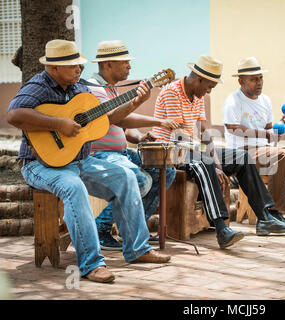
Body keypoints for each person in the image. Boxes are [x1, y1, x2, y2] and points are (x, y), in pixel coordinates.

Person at [6, 39, 170, 284]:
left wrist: (135, 102)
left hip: (78, 161)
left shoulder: (78, 89)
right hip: (39, 164)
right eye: (73, 66)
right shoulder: (38, 86)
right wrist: (58, 123)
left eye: (79, 65)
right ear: (53, 68)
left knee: (125, 177)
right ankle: (92, 264)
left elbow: (110, 117)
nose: (79, 70)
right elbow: (14, 115)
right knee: (73, 188)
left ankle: (138, 249)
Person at [151, 55, 285, 249]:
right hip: (170, 151)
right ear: (198, 79)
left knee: (242, 158)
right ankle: (221, 228)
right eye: (209, 86)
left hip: (192, 150)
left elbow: (204, 134)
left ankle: (265, 217)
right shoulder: (172, 92)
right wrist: (212, 162)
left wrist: (219, 165)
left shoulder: (197, 96)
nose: (209, 91)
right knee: (204, 164)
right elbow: (180, 137)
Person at [86, 40, 180, 250]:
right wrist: (157, 120)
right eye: (125, 62)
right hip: (100, 155)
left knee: (165, 170)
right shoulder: (94, 89)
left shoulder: (110, 89)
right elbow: (114, 118)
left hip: (119, 152)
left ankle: (133, 230)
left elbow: (124, 125)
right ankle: (101, 229)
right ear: (108, 64)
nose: (130, 66)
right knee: (140, 180)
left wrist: (139, 138)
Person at [223, 57, 285, 228]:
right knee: (281, 156)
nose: (259, 82)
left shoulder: (265, 101)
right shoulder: (233, 101)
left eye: (261, 78)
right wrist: (265, 134)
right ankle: (273, 212)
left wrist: (281, 128)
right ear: (241, 81)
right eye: (254, 79)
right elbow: (234, 128)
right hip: (243, 153)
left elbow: (272, 135)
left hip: (266, 150)